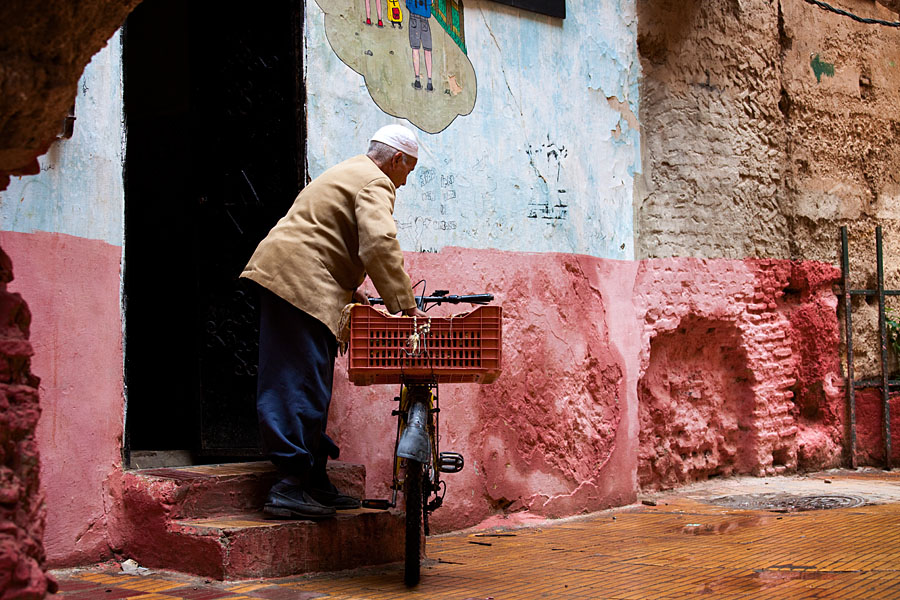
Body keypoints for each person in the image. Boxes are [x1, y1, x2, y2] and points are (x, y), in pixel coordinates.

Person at [240, 124, 427, 519]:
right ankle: (289, 484)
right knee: (297, 380)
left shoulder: (349, 171)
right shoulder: (376, 183)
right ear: (396, 160)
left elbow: (327, 234)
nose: (405, 181)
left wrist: (352, 289)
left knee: (313, 381)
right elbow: (378, 242)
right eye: (408, 170)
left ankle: (311, 478)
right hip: (298, 282)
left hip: (298, 278)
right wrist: (404, 305)